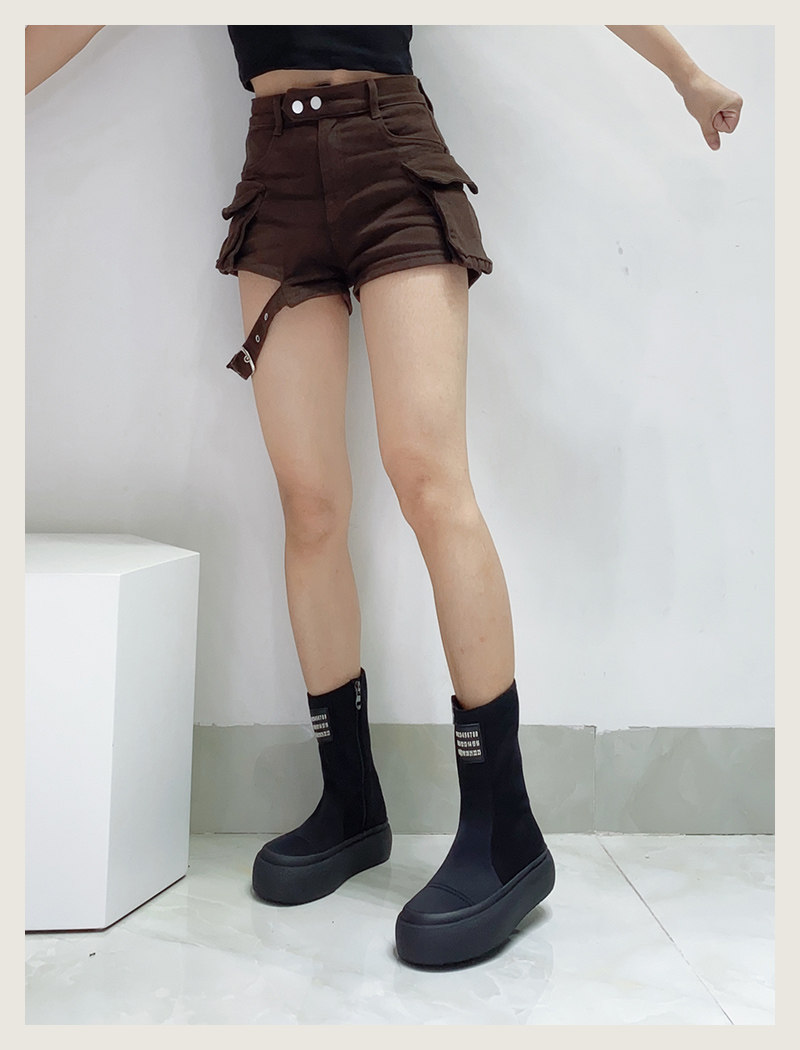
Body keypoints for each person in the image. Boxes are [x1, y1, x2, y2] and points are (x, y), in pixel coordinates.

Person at [26, 24, 743, 968]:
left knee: (429, 480)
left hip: (388, 149)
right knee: (310, 503)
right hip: (277, 170)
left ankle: (506, 831)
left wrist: (686, 72)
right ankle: (351, 803)